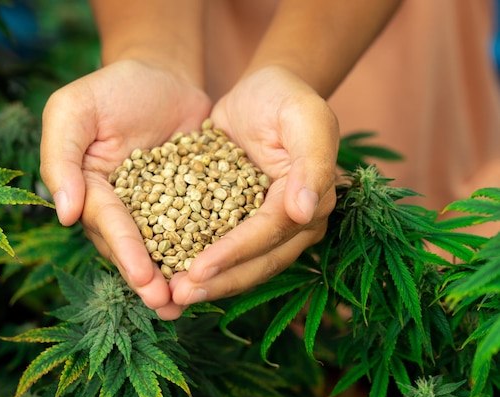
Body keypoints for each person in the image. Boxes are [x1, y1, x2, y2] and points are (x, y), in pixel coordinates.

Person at [40, 0, 500, 320]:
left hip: (385, 44)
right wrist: (155, 57)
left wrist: (292, 70)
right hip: (210, 69)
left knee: (415, 269)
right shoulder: (200, 150)